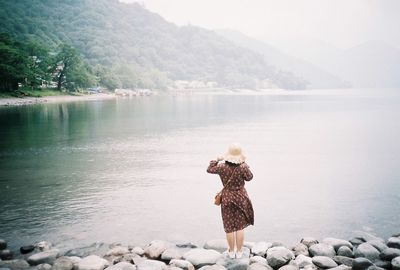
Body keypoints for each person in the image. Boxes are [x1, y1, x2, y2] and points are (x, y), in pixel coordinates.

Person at [207, 143, 254, 259]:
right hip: (240, 197)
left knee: (229, 226)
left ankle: (231, 252)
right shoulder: (243, 167)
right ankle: (239, 252)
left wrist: (217, 159)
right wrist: (244, 164)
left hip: (227, 197)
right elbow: (250, 177)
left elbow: (209, 169)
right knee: (239, 226)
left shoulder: (222, 167)